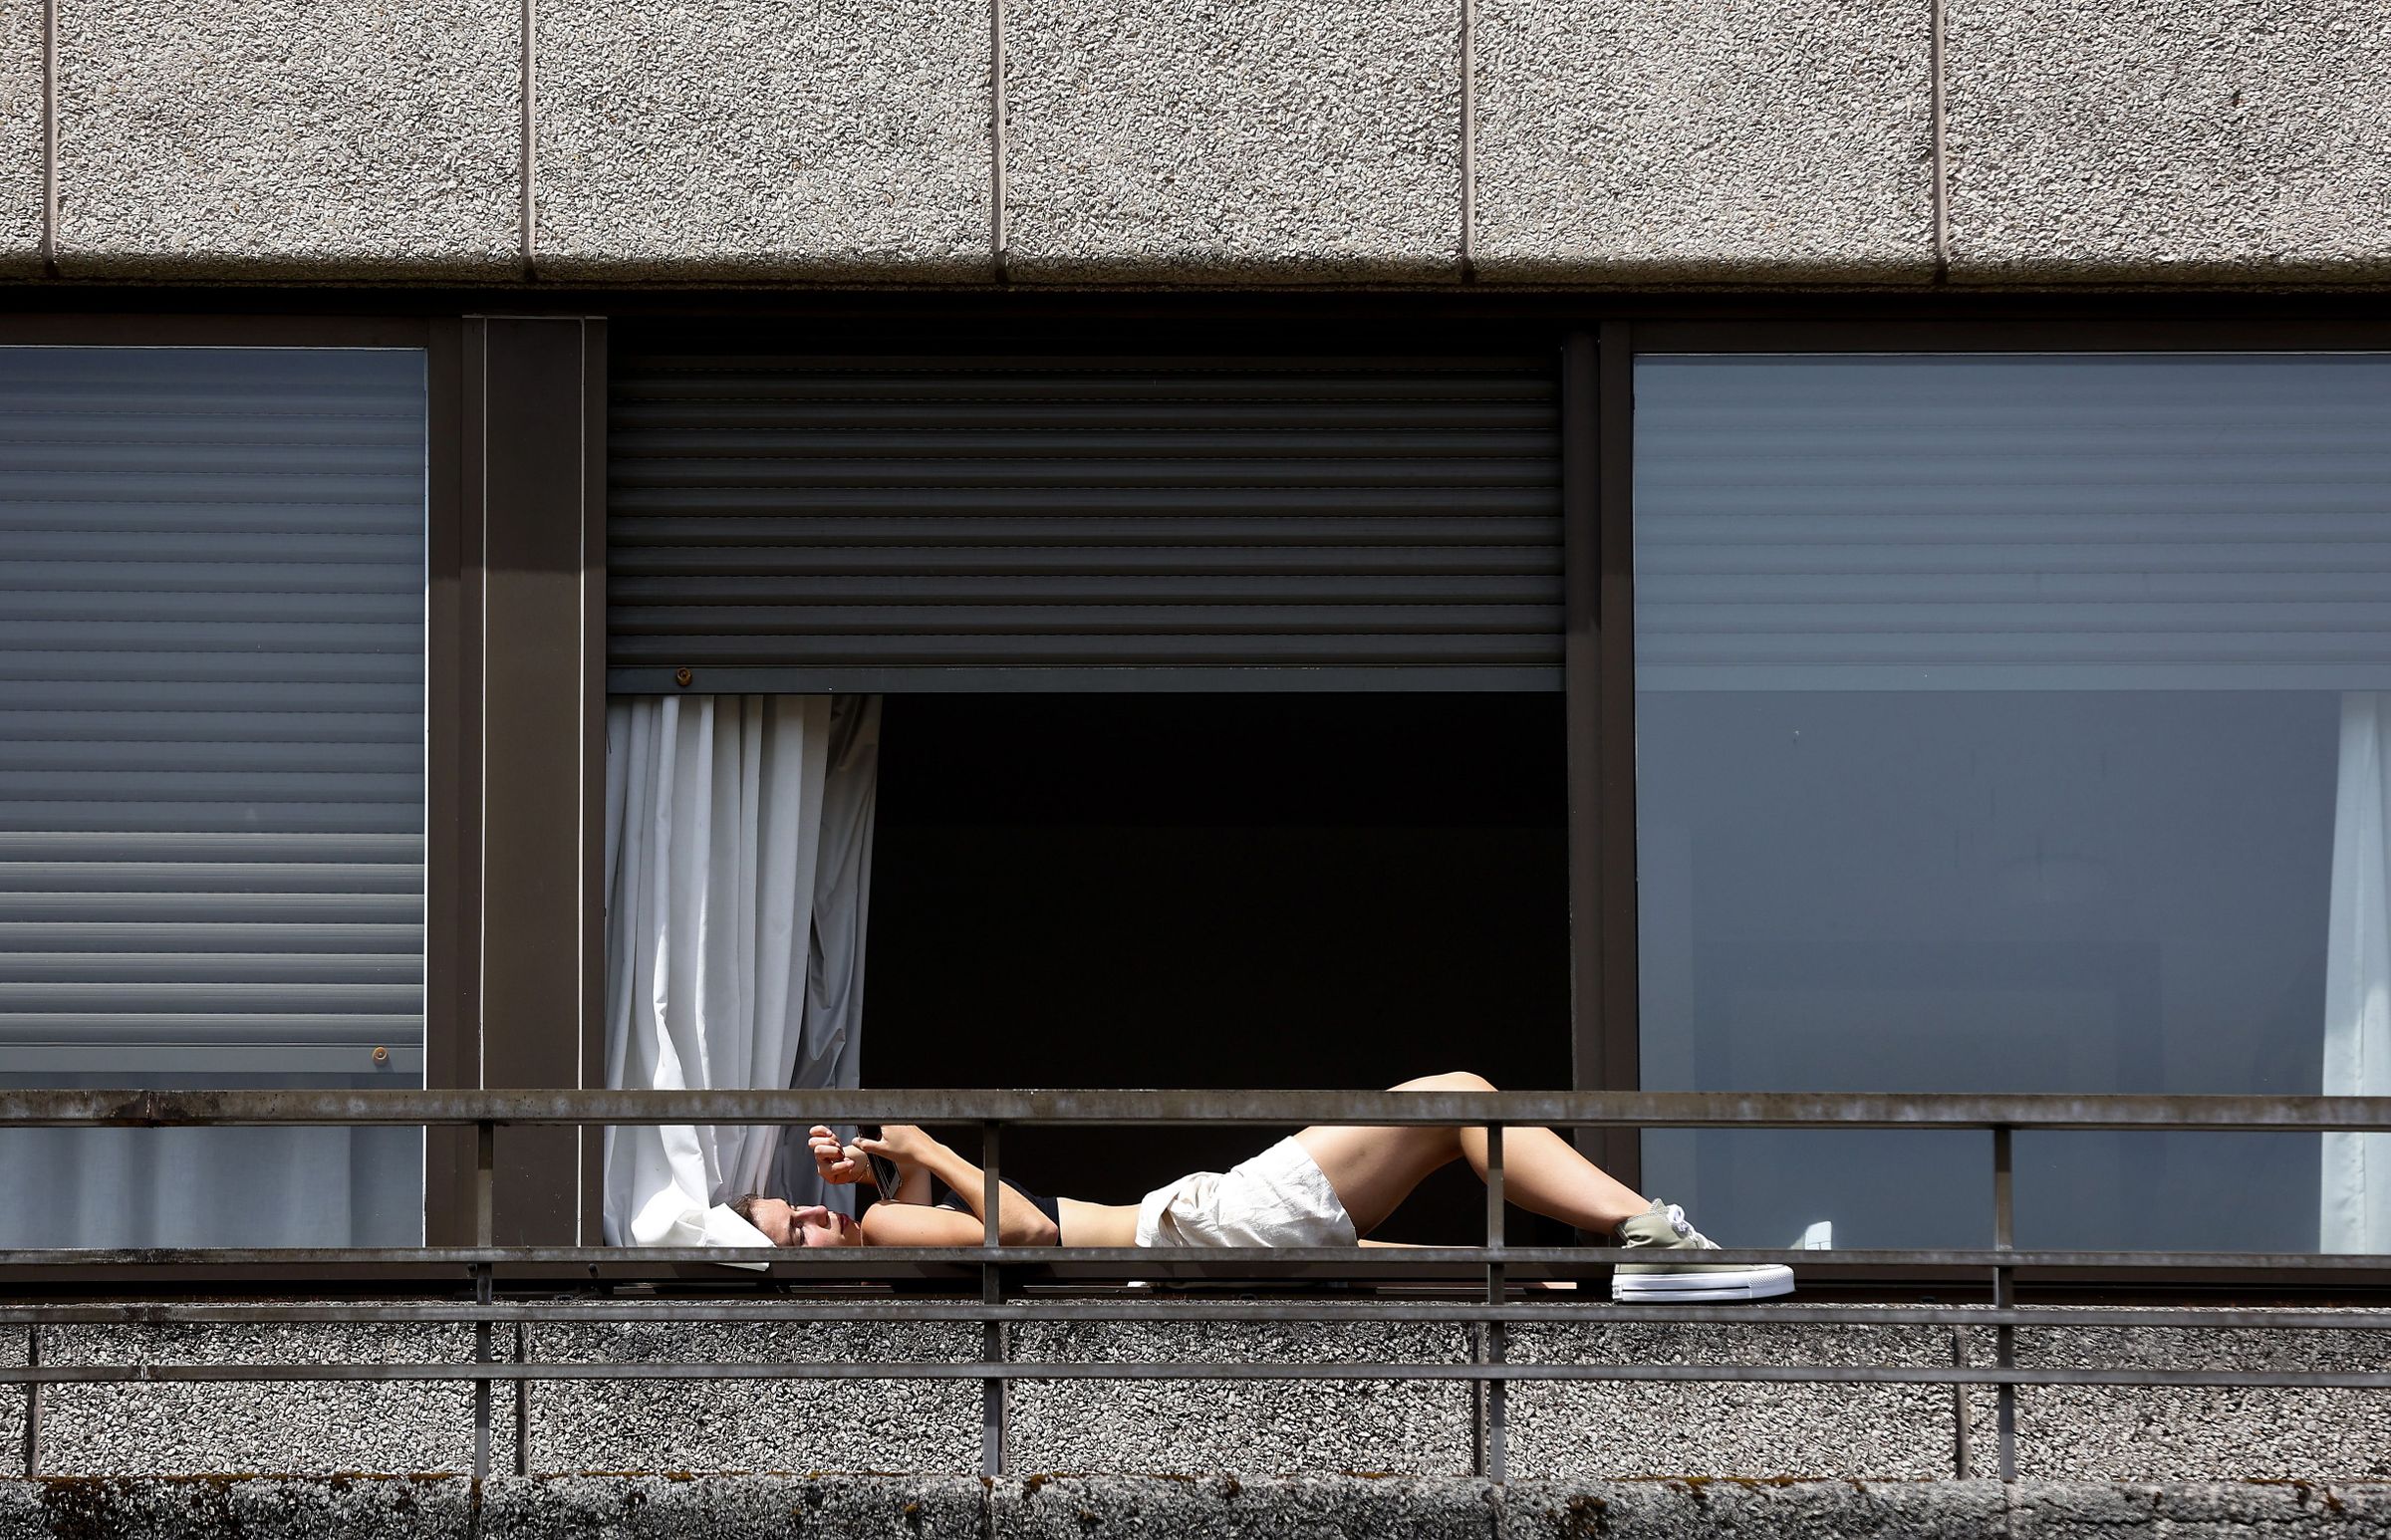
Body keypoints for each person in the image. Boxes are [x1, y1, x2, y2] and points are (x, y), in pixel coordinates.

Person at [732, 1071, 1793, 1302]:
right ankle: (1646, 1234)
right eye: (800, 1229)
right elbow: (1018, 1229)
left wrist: (886, 1167)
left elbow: (931, 1219)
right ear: (800, 1273)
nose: (821, 1215)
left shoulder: (883, 1235)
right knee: (1458, 1097)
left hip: (1197, 1242)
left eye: (805, 1203)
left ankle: (1613, 1272)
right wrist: (938, 1147)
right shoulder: (886, 1250)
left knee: (1446, 1267)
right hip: (1199, 1228)